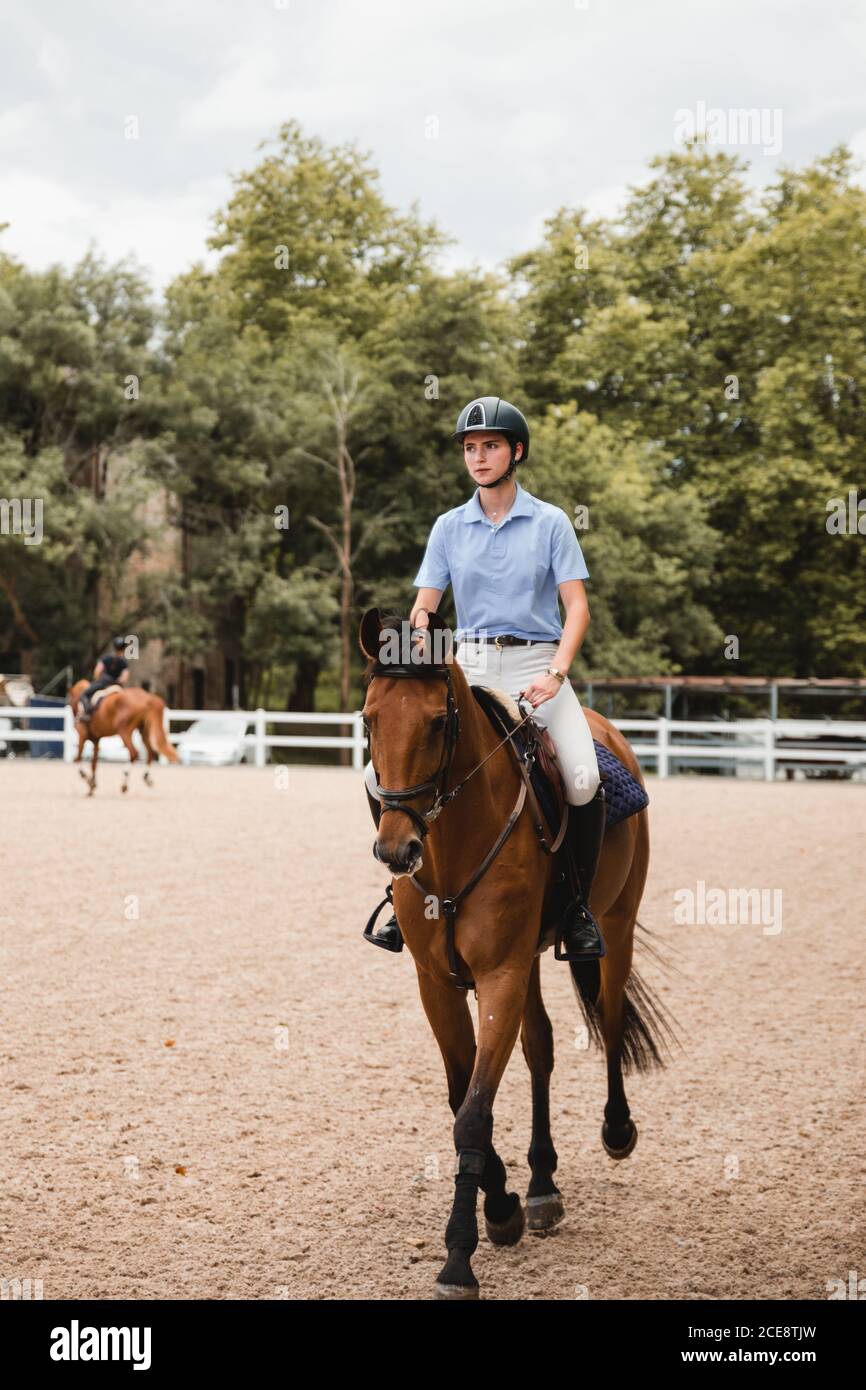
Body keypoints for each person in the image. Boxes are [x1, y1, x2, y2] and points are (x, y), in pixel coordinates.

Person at [363, 395, 605, 961]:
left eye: (490, 446)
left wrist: (556, 672)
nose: (479, 457)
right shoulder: (449, 527)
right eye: (471, 448)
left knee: (583, 777)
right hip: (465, 664)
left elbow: (578, 609)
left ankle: (575, 909)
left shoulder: (550, 522)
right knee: (382, 778)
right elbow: (424, 608)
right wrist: (416, 645)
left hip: (535, 663)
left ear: (515, 451)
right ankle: (403, 896)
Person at [77, 637, 131, 720]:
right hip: (116, 684)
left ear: (114, 647)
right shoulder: (124, 662)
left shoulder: (105, 658)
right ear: (123, 649)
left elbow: (97, 672)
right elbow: (124, 678)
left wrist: (97, 679)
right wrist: (117, 682)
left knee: (84, 695)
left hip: (103, 683)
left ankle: (87, 712)